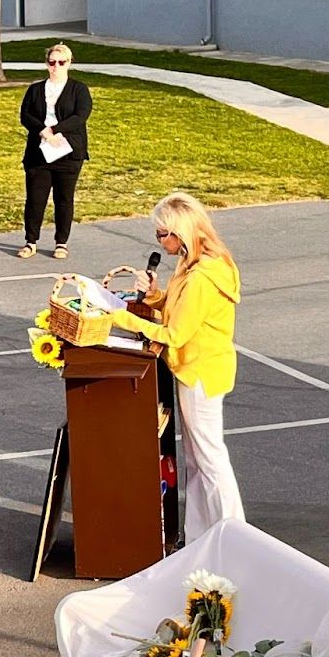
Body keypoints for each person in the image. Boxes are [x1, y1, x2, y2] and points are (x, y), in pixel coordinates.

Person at [110, 192, 243, 541]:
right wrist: (154, 295)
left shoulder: (202, 276)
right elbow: (177, 305)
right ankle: (200, 535)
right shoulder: (198, 262)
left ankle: (236, 535)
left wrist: (126, 318)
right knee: (196, 461)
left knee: (209, 459)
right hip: (199, 368)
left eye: (161, 234)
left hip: (200, 372)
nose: (158, 241)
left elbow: (176, 332)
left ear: (179, 233)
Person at [18, 42, 92, 261]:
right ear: (46, 64)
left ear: (69, 63)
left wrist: (55, 130)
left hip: (68, 154)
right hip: (39, 153)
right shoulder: (35, 89)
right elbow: (26, 115)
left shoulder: (79, 89)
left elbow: (80, 116)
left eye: (61, 62)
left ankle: (61, 242)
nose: (56, 66)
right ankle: (31, 241)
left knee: (64, 198)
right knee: (35, 199)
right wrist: (43, 132)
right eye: (52, 62)